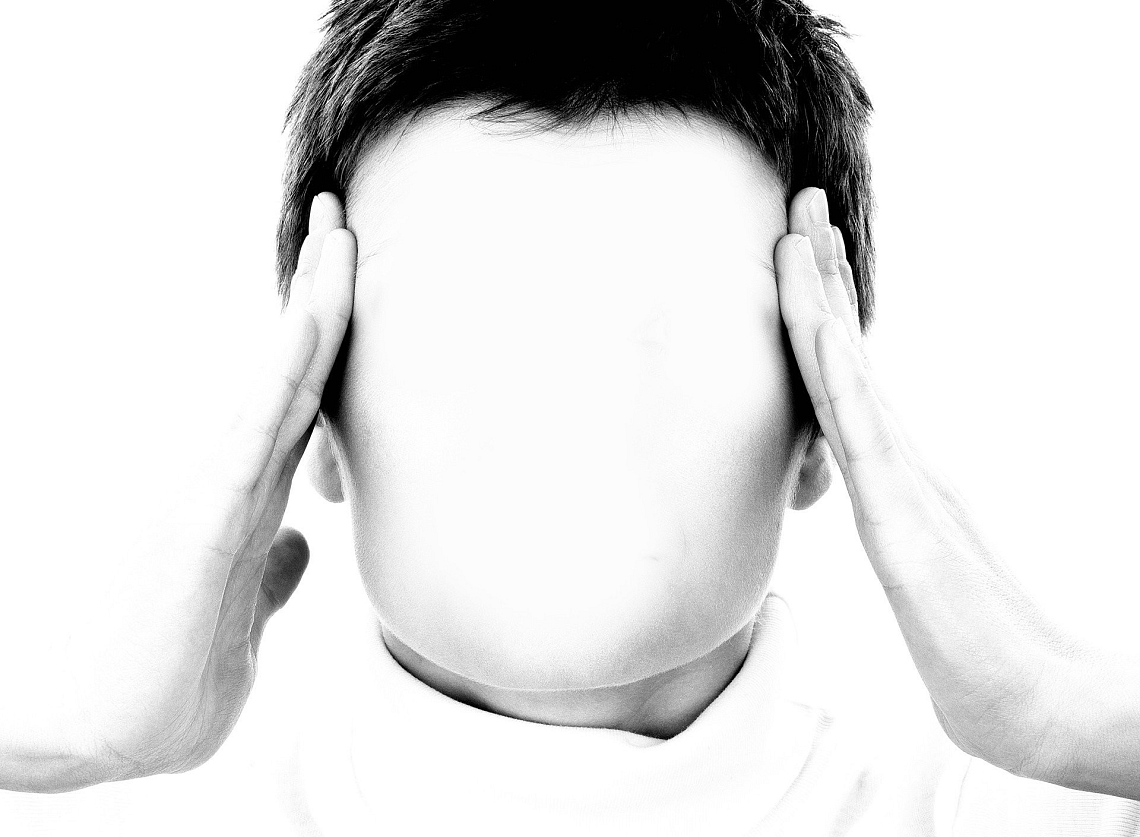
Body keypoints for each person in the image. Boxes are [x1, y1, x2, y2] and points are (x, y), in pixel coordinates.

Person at [1, 0, 1138, 833]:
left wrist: (1074, 714)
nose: (562, 424)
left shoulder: (1062, 802)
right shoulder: (89, 806)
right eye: (459, 324)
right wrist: (50, 736)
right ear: (318, 420)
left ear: (819, 425)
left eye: (670, 328)